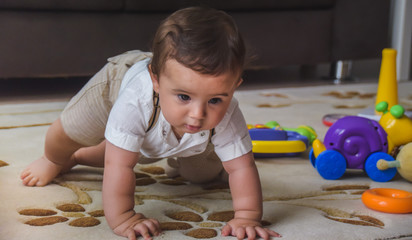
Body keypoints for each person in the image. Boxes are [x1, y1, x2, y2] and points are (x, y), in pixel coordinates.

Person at [20, 7, 281, 240]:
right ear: (156, 81)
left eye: (215, 100)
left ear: (234, 87)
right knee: (72, 132)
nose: (197, 114)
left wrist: (247, 217)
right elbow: (119, 165)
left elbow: (242, 167)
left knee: (201, 175)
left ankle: (86, 157)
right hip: (115, 87)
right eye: (184, 97)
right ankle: (58, 159)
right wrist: (123, 218)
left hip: (169, 134)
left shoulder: (228, 112)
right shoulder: (135, 101)